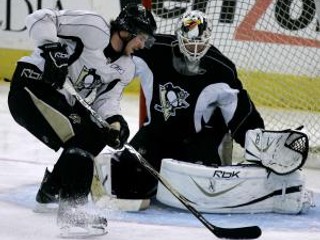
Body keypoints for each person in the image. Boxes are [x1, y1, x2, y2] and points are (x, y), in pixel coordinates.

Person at [93, 10, 313, 215]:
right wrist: (92, 80)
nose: (194, 49)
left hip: (197, 140)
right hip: (156, 135)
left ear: (208, 40)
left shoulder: (220, 69)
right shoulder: (153, 51)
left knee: (203, 192)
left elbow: (239, 111)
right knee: (125, 180)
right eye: (189, 42)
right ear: (179, 37)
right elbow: (116, 64)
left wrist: (258, 141)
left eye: (199, 44)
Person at [7, 3, 156, 237]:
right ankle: (72, 211)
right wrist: (51, 48)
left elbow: (107, 101)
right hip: (31, 87)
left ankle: (51, 192)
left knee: (97, 135)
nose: (142, 45)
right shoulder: (94, 27)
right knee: (86, 136)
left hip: (63, 99)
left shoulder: (125, 67)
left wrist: (115, 123)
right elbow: (39, 18)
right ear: (127, 31)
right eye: (142, 38)